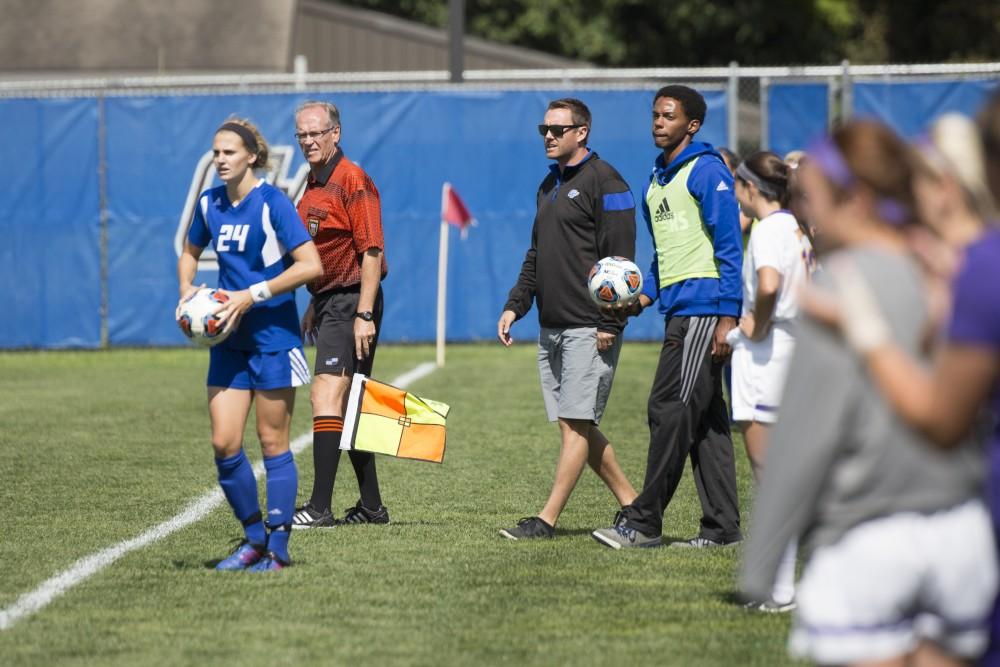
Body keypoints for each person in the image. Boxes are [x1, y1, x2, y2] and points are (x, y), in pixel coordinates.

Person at [739, 120, 995, 666]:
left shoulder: (842, 283)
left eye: (817, 198)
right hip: (962, 536)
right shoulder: (947, 270)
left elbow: (805, 437)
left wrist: (759, 567)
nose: (810, 212)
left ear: (855, 199)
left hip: (870, 541)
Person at [592, 84, 743, 549]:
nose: (658, 122)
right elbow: (664, 256)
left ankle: (643, 523)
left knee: (669, 410)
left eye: (669, 116)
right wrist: (642, 297)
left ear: (692, 125)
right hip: (678, 311)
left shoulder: (707, 172)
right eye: (655, 114)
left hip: (704, 312)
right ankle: (722, 530)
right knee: (706, 421)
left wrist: (728, 315)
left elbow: (729, 247)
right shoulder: (656, 180)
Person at [176, 117, 322, 571]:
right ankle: (253, 539)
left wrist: (251, 295)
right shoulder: (209, 204)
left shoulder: (273, 203)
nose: (220, 160)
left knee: (272, 440)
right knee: (224, 443)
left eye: (229, 153)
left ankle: (277, 550)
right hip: (229, 341)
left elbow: (310, 265)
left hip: (274, 338)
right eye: (216, 152)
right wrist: (188, 297)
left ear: (252, 157)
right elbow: (189, 251)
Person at [496, 97, 639, 540]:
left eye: (559, 129)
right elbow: (536, 254)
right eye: (545, 130)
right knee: (575, 423)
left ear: (583, 132)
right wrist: (516, 304)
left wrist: (610, 325)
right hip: (551, 325)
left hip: (588, 327)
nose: (550, 136)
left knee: (576, 424)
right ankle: (635, 506)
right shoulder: (547, 184)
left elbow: (620, 265)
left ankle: (547, 519)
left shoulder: (606, 181)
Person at [289, 100, 392, 528]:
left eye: (317, 133)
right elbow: (326, 249)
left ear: (336, 133)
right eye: (302, 135)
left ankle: (319, 508)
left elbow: (371, 251)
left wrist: (363, 314)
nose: (309, 141)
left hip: (353, 302)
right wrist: (315, 301)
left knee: (325, 395)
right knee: (348, 404)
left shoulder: (353, 180)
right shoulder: (313, 183)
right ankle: (371, 507)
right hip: (332, 301)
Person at [728, 151, 815, 611]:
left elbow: (767, 285)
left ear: (750, 187)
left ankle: (781, 590)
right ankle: (786, 585)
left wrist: (753, 328)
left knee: (770, 476)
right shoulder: (794, 227)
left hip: (768, 357)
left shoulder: (768, 229)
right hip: (791, 348)